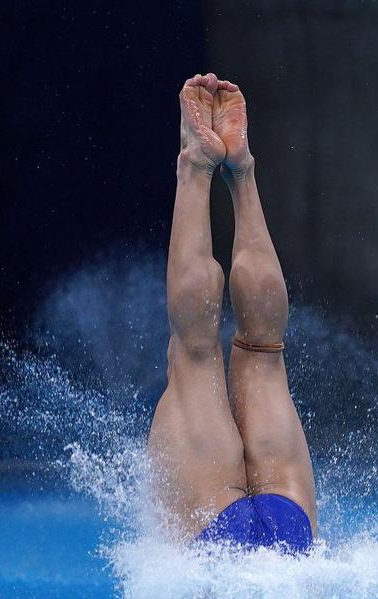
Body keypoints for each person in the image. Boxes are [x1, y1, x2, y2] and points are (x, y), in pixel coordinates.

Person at [148, 73, 317, 554]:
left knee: (213, 352)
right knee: (242, 351)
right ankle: (237, 172)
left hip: (224, 546)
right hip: (288, 538)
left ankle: (207, 165)